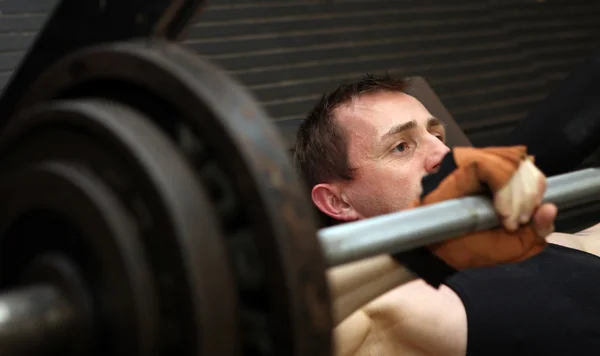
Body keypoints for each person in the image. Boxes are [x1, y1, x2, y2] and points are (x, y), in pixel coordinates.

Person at [293, 74, 600, 356]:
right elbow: (273, 319)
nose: (444, 154)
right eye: (401, 147)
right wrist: (427, 248)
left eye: (438, 136)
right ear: (338, 202)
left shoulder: (552, 244)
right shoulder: (381, 315)